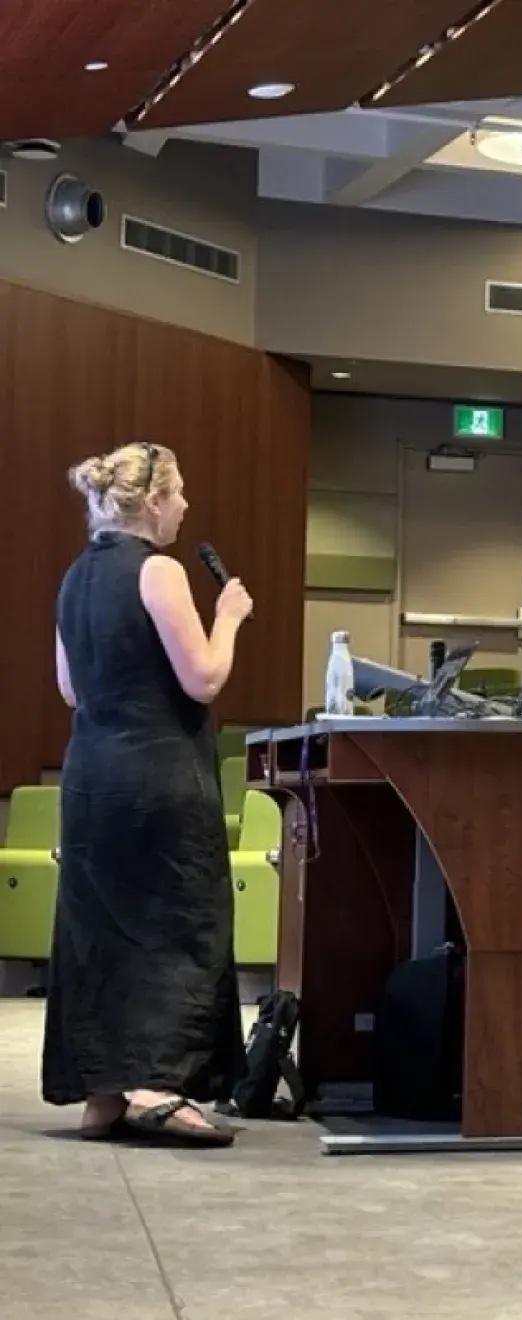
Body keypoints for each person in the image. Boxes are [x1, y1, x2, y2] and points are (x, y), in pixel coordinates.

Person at [43, 442, 251, 1146]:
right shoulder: (158, 569)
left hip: (91, 777)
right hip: (159, 774)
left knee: (100, 930)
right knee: (176, 923)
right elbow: (204, 678)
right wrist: (228, 615)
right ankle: (159, 1086)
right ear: (154, 500)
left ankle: (102, 1092)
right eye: (180, 492)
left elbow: (70, 689)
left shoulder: (75, 576)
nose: (186, 505)